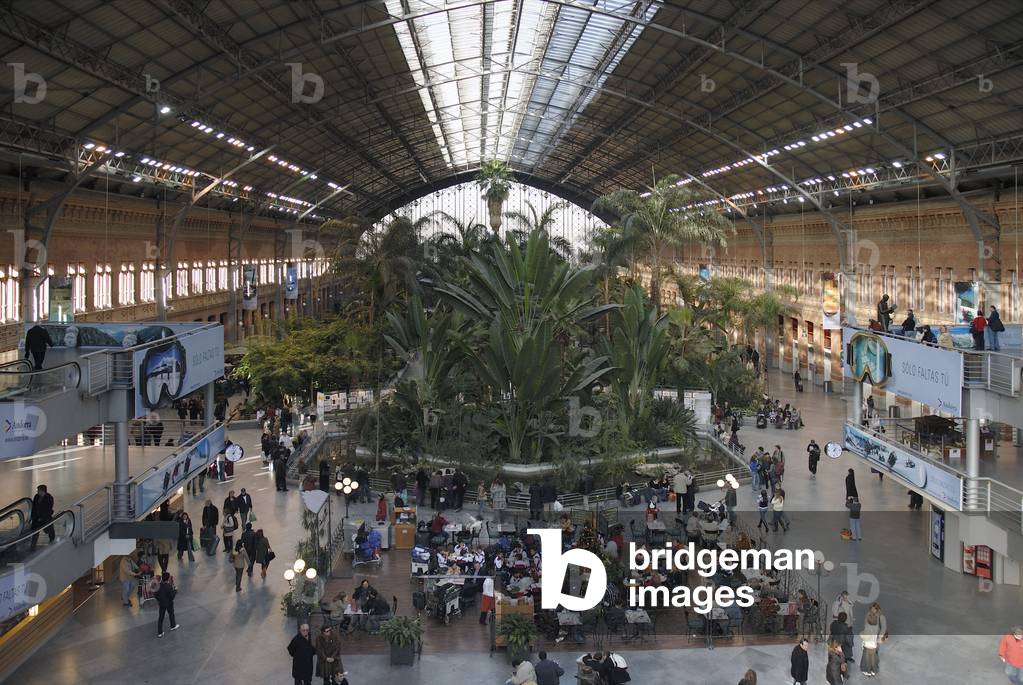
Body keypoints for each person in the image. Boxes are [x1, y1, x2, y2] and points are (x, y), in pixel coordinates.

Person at [860, 603, 886, 677]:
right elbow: (866, 625)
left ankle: (868, 669)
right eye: (871, 609)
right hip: (872, 640)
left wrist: (879, 640)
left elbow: (883, 628)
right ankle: (871, 669)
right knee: (870, 656)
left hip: (874, 640)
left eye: (873, 609)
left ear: (877, 609)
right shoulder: (869, 614)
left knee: (871, 656)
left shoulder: (881, 617)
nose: (872, 610)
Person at [29, 484, 55, 549]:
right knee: (35, 532)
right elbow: (33, 507)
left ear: (42, 491)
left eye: (38, 490)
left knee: (49, 529)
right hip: (36, 518)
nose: (37, 491)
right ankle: (32, 547)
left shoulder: (49, 497)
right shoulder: (36, 496)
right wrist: (32, 516)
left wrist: (43, 517)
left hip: (45, 518)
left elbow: (49, 509)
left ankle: (52, 541)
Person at [154, 572, 179, 637]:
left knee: (161, 618)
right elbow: (172, 596)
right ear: (168, 578)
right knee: (171, 614)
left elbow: (155, 594)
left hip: (162, 604)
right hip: (169, 603)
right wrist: (175, 590)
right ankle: (173, 626)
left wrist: (159, 600)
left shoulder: (159, 585)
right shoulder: (168, 586)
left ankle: (160, 633)